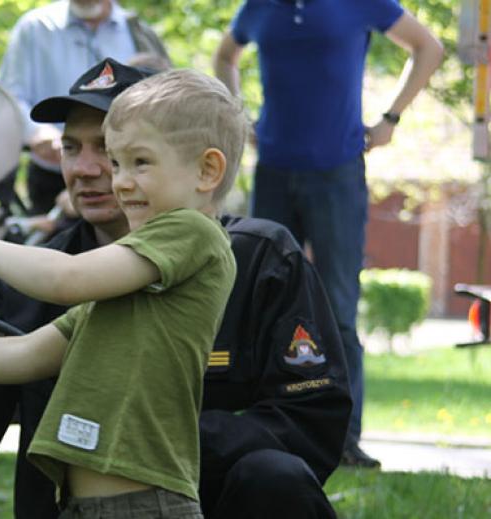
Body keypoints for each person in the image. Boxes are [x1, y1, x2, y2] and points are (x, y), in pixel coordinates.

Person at [0, 59, 351, 519]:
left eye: (119, 152)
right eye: (70, 147)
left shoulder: (253, 256)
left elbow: (309, 423)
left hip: (179, 501)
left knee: (274, 478)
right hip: (72, 505)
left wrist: (136, 442)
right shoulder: (31, 277)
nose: (91, 170)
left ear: (201, 167)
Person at [213, 0, 443, 468]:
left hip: (337, 171)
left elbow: (428, 47)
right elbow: (224, 57)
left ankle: (343, 440)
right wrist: (238, 116)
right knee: (256, 304)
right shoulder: (258, 7)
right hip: (274, 169)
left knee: (338, 308)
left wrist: (390, 120)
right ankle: (263, 426)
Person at [0, 0, 170, 215]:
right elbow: (9, 94)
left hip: (125, 173)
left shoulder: (137, 30)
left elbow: (165, 99)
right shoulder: (36, 26)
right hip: (53, 172)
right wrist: (35, 131)